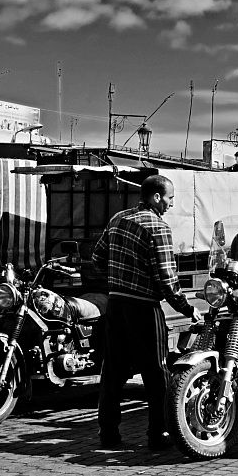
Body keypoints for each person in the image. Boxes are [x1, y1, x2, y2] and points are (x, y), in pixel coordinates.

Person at [94, 175, 197, 450]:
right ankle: (158, 433)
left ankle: (108, 433)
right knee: (156, 372)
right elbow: (167, 279)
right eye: (170, 198)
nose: (171, 204)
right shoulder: (158, 228)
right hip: (143, 307)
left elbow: (97, 258)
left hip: (116, 305)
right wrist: (187, 309)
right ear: (156, 197)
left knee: (112, 371)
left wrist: (118, 278)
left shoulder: (117, 219)